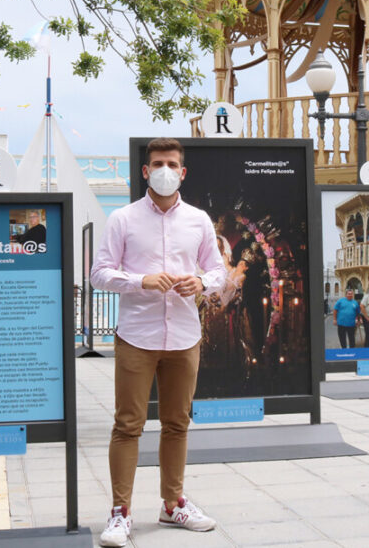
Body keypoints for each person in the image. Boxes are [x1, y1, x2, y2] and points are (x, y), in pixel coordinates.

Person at [91, 137, 226, 547]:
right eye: (157, 163)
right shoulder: (123, 219)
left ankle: (173, 505)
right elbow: (99, 273)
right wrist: (139, 280)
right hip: (137, 336)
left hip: (184, 336)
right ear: (145, 171)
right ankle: (120, 512)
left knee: (177, 424)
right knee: (127, 425)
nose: (164, 170)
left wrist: (201, 282)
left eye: (171, 163)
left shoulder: (199, 220)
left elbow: (218, 272)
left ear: (182, 172)